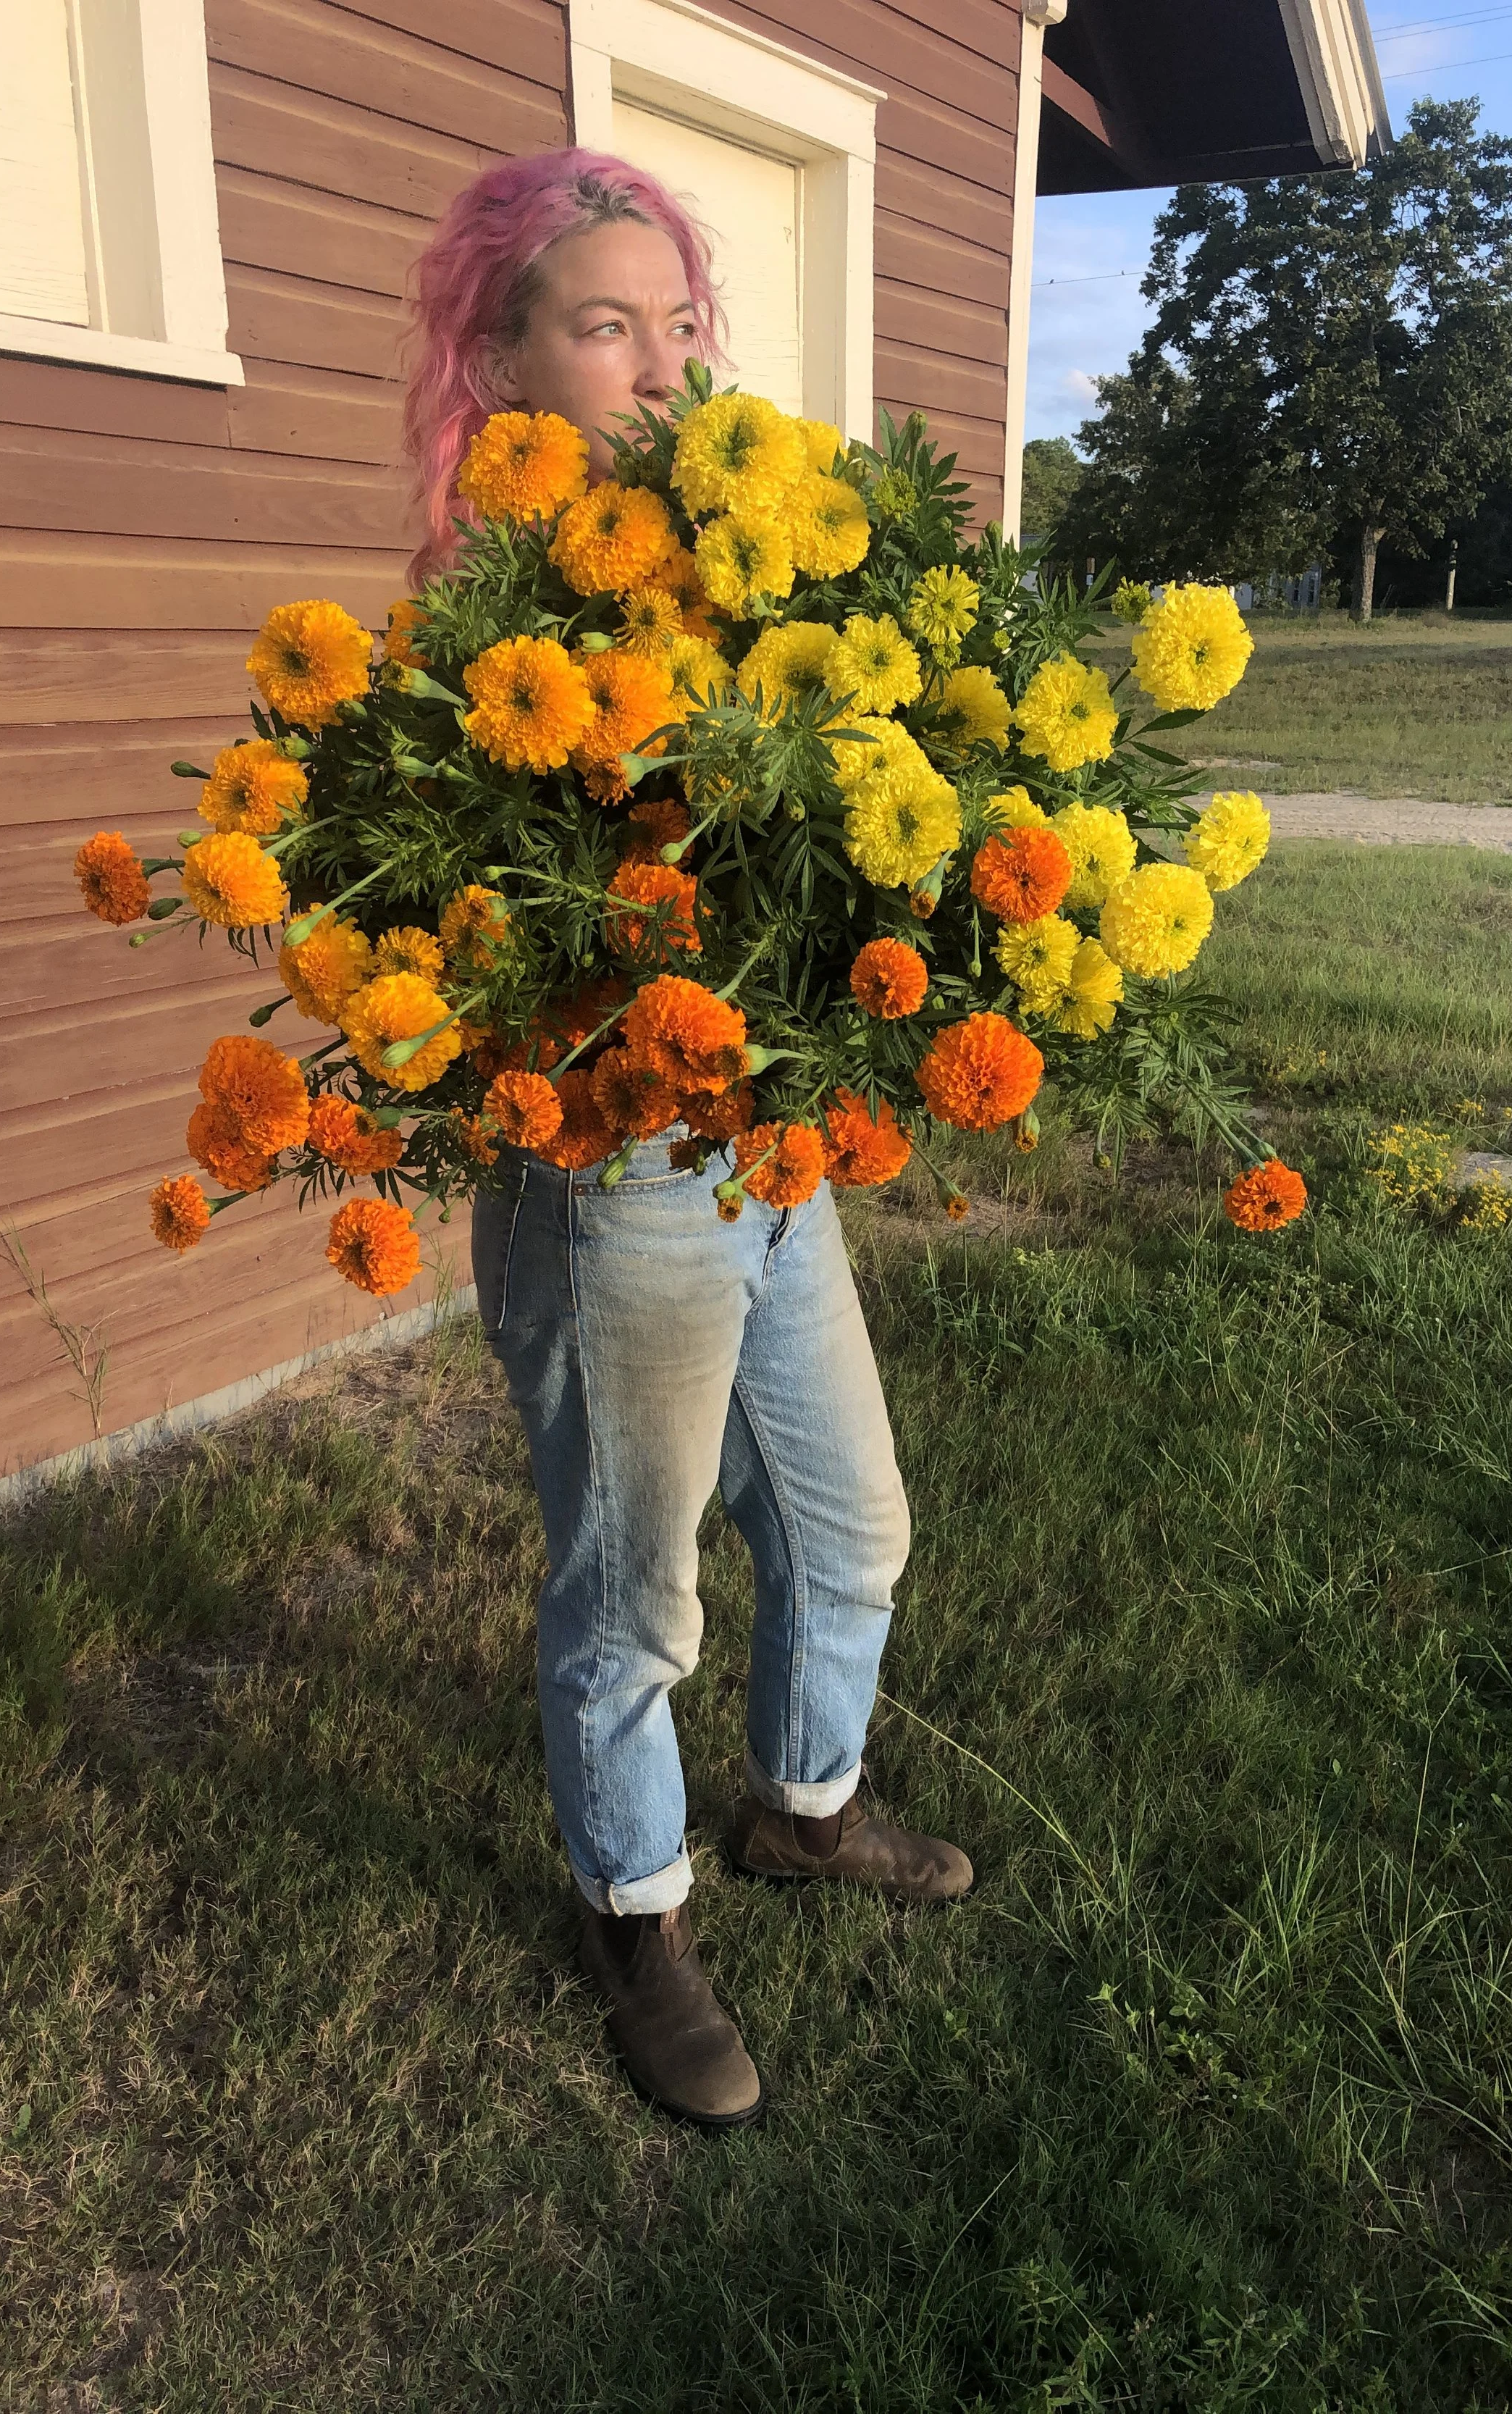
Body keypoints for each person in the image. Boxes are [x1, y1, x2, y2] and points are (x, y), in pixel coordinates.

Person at [403, 151, 973, 2129]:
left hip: (768, 1143)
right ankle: (631, 1909)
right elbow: (494, 937)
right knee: (630, 1581)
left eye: (675, 320)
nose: (656, 364)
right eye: (601, 321)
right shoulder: (478, 627)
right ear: (499, 353)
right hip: (617, 1163)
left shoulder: (749, 570)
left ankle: (805, 1804)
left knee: (854, 1518)